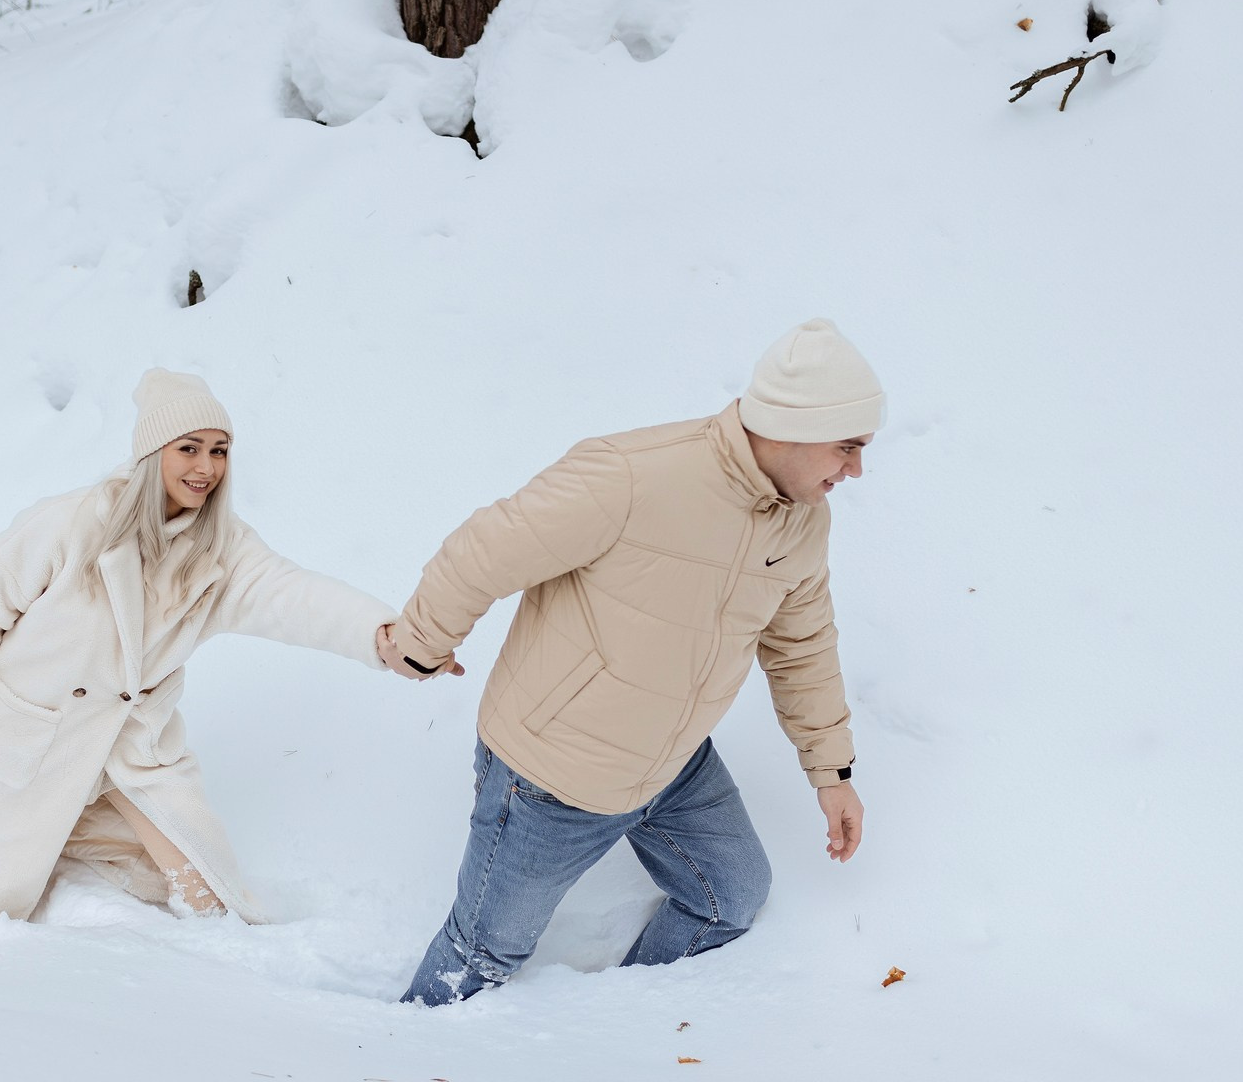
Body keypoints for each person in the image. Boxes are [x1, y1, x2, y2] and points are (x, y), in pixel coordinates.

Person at [377, 319, 883, 1004]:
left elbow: (802, 646)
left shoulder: (802, 520)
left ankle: (618, 1023)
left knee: (728, 900)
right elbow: (486, 548)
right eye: (847, 446)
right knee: (481, 956)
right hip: (553, 776)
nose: (854, 469)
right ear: (792, 426)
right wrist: (422, 642)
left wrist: (832, 772)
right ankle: (403, 1068)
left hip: (674, 763)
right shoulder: (633, 475)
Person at [0, 369, 394, 923]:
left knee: (209, 897)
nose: (206, 468)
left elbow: (290, 594)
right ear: (152, 453)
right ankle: (46, 825)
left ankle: (78, 824)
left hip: (130, 747)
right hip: (30, 741)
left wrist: (381, 636)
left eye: (219, 451)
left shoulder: (222, 548)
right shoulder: (66, 525)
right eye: (188, 449)